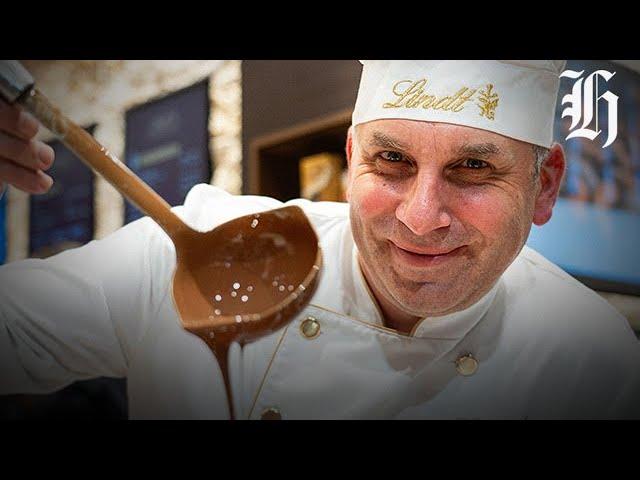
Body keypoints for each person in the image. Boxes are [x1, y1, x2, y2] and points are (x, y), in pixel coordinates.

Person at [0, 60, 639, 420]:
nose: (421, 217)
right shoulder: (201, 250)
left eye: (473, 168)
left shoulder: (594, 364)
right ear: (352, 155)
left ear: (544, 185)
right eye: (391, 161)